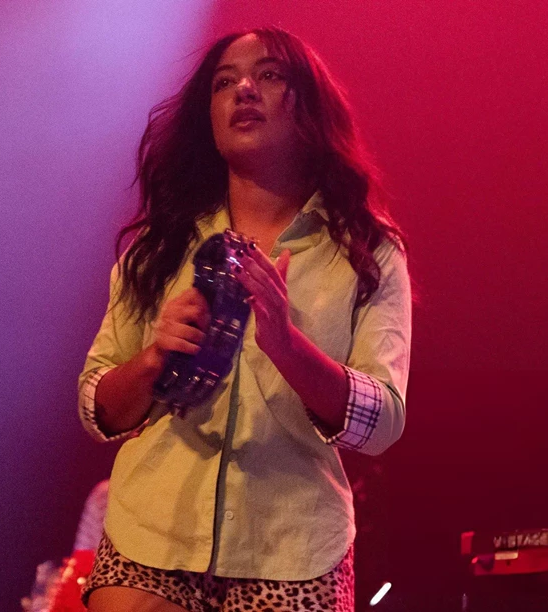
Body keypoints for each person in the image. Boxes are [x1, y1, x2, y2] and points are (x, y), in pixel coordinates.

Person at [78, 26, 411, 612]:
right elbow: (97, 407)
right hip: (151, 535)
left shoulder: (365, 249)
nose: (244, 90)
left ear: (307, 103)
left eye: (269, 75)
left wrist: (287, 344)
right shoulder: (159, 247)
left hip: (293, 550)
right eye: (224, 82)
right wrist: (154, 358)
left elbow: (382, 421)